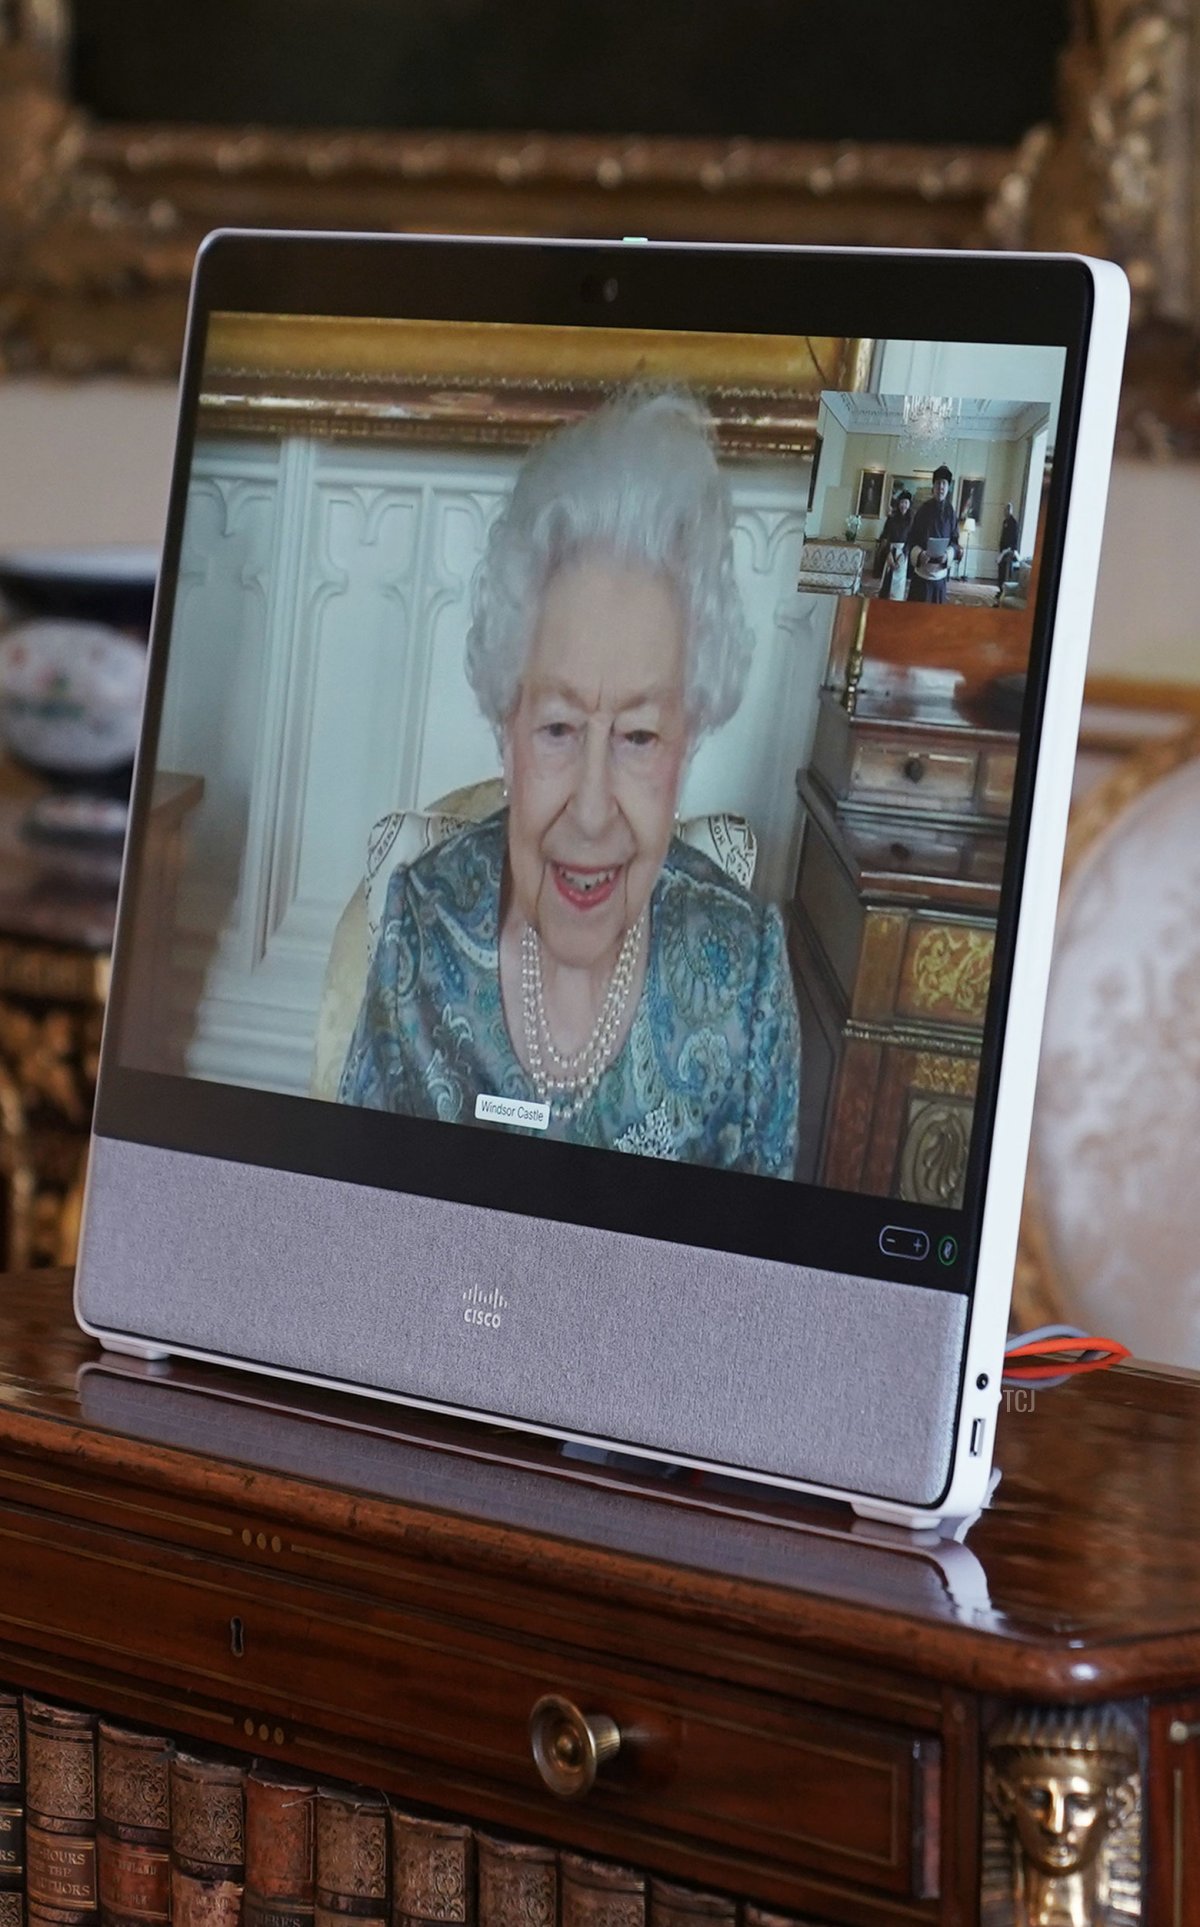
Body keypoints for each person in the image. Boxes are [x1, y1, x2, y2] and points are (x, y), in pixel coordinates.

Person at [338, 389, 802, 1178]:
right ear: (506, 730)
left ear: (686, 746)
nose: (591, 811)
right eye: (558, 728)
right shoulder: (423, 926)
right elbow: (351, 1232)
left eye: (639, 736)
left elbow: (761, 1292)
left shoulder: (746, 979)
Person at [906, 465, 961, 605]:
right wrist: (919, 555)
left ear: (948, 488)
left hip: (940, 577)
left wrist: (947, 555)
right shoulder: (923, 510)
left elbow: (955, 542)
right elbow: (911, 538)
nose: (941, 487)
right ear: (933, 487)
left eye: (944, 483)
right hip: (921, 575)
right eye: (938, 483)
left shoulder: (951, 513)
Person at [877, 488, 913, 600]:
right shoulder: (891, 518)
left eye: (906, 503)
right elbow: (884, 537)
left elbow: (911, 539)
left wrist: (904, 554)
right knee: (887, 581)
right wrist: (888, 555)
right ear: (898, 503)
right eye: (902, 502)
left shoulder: (911, 520)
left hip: (903, 553)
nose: (903, 505)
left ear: (909, 504)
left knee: (899, 583)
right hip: (891, 552)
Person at [995, 500, 1020, 604]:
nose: (1005, 512)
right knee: (1000, 572)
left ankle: (1005, 592)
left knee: (1006, 573)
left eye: (1007, 510)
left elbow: (1012, 539)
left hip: (1008, 552)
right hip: (1002, 550)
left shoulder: (1013, 523)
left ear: (1010, 510)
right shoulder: (1005, 521)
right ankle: (1000, 590)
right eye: (1004, 510)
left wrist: (1005, 551)